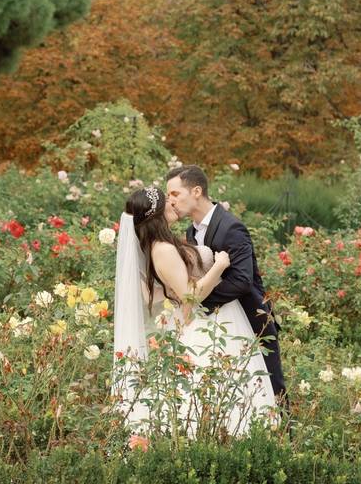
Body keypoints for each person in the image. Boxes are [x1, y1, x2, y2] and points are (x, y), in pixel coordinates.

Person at [113, 185, 278, 437]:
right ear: (157, 214)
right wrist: (219, 266)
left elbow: (176, 291)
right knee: (217, 386)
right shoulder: (163, 249)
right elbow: (191, 295)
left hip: (221, 317)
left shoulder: (168, 242)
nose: (172, 202)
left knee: (230, 385)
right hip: (208, 322)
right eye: (167, 200)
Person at [165, 165, 287, 404]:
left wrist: (197, 299)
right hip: (220, 325)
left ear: (196, 191)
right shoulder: (191, 232)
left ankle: (287, 438)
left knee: (272, 391)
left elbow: (242, 280)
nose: (170, 201)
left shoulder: (231, 227)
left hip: (253, 321)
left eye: (175, 194)